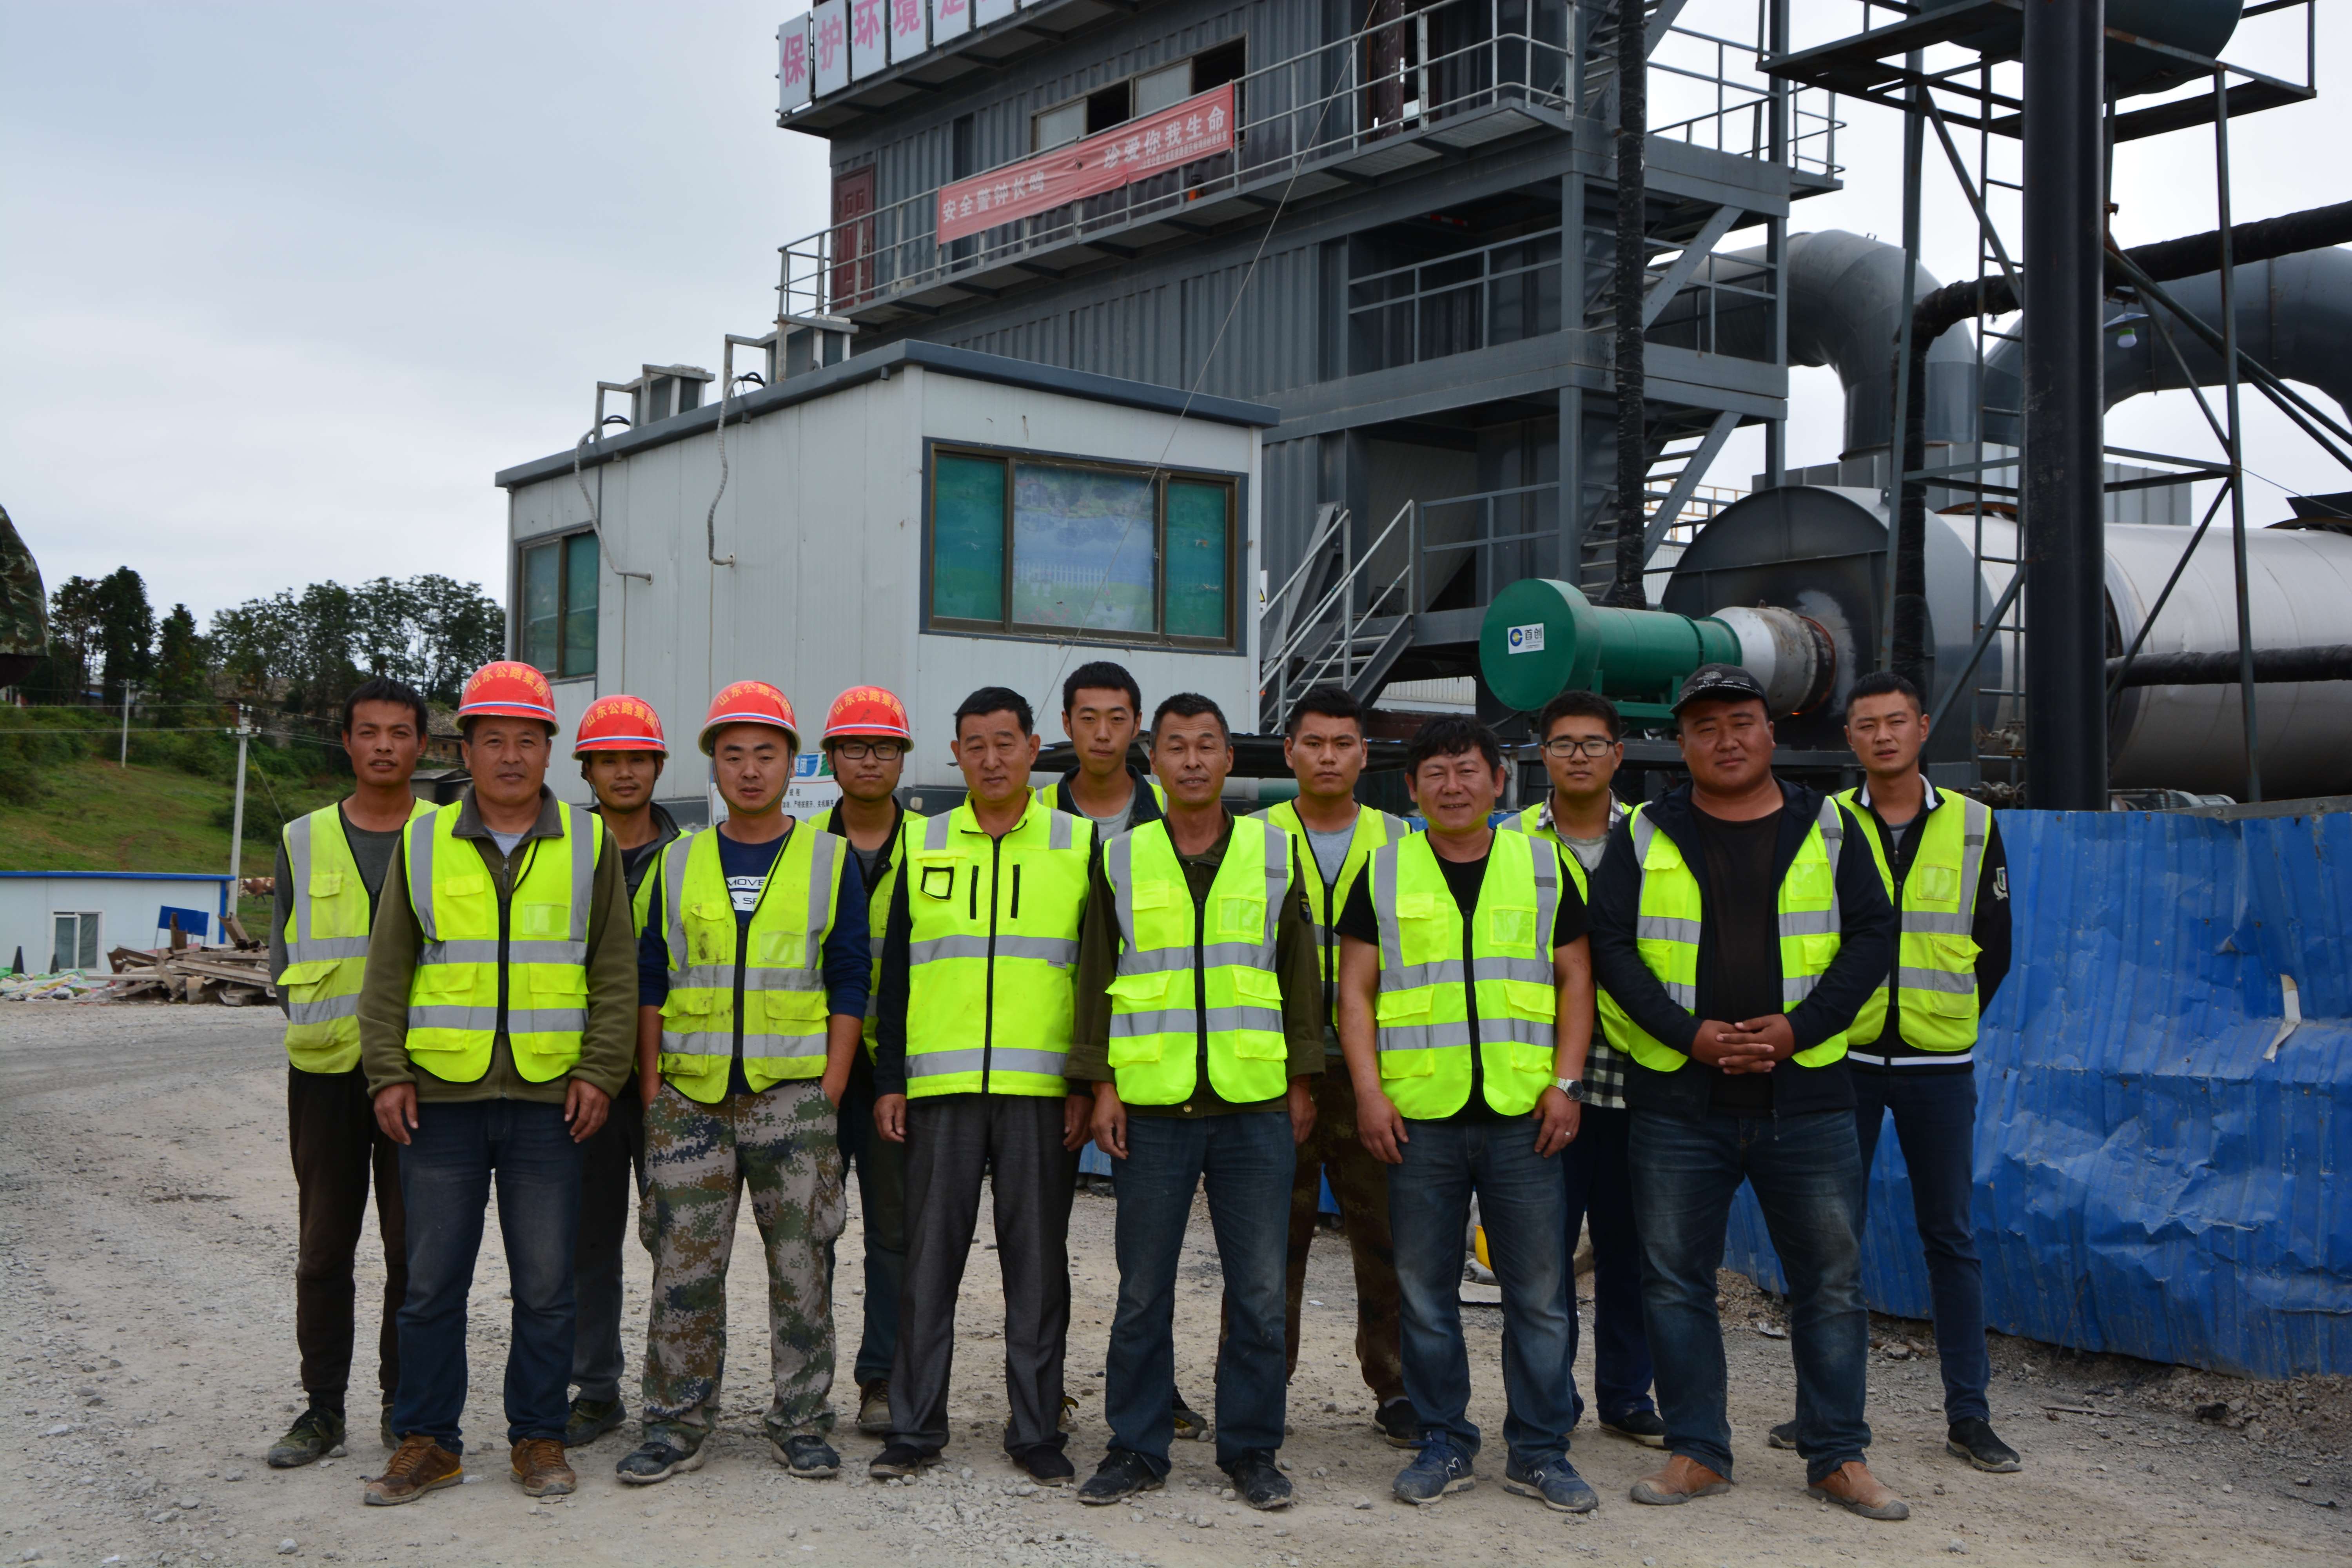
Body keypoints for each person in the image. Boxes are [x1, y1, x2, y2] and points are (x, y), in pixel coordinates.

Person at [1585, 664, 1904, 1521]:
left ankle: (1837, 1455)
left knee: (1830, 1283)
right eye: (1705, 727)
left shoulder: (1831, 826)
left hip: (1807, 1101)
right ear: (1681, 742)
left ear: (1771, 732)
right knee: (1674, 1281)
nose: (1725, 740)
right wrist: (1686, 1034)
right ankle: (1698, 1450)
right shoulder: (1644, 832)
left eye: (1741, 722)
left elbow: (1874, 935)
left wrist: (1799, 1028)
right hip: (1678, 1105)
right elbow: (1612, 945)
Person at [356, 661, 636, 1506]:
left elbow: (614, 973)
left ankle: (538, 1435)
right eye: (492, 740)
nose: (510, 756)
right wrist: (386, 1072)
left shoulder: (590, 843)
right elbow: (388, 970)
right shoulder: (423, 841)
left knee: (547, 1285)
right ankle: (428, 1440)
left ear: (550, 750)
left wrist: (601, 1071)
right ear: (465, 751)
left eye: (527, 740)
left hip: (551, 1104)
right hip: (440, 1100)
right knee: (431, 1284)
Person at [1336, 715, 1601, 1515]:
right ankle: (1445, 1440)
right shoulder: (1383, 870)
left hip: (1526, 1115)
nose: (1453, 787)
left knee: (1540, 1293)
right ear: (1411, 789)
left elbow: (1576, 980)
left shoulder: (1545, 865)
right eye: (1436, 774)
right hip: (1420, 1117)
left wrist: (1567, 1083)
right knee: (1424, 1291)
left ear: (1498, 780)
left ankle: (1540, 1449)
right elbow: (1356, 992)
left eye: (1468, 770)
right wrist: (1370, 1093)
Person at [1069, 693, 1325, 1510]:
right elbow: (1095, 975)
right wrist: (1102, 1084)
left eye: (1206, 745)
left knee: (1258, 1292)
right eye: (1175, 746)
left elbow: (1300, 975)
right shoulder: (1121, 857)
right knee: (1143, 1289)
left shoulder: (1274, 852)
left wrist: (1301, 1082)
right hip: (1153, 1103)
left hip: (1254, 1104)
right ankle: (1136, 1446)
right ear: (1154, 760)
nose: (1191, 760)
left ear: (1229, 758)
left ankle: (1251, 1450)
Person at [1760, 671, 2016, 1472]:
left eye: (1896, 721)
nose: (1882, 735)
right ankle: (1822, 1410)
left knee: (1951, 1237)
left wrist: (1946, 1017)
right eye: (1867, 724)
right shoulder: (1826, 823)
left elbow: (1996, 946)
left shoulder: (1975, 823)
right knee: (1830, 1242)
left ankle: (1969, 1415)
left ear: (1923, 727)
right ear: (1851, 738)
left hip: (1940, 1066)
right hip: (1846, 1062)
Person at [618, 681, 869, 1485]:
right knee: (683, 1270)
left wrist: (832, 1086)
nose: (750, 770)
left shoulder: (829, 859)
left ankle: (802, 1420)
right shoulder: (675, 861)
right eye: (734, 755)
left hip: (793, 1102)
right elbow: (651, 978)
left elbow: (850, 977)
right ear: (713, 766)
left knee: (803, 1269)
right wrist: (652, 1087)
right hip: (688, 1101)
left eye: (766, 754)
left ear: (792, 765)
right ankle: (676, 1422)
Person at [869, 687, 1096, 1485]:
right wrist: (891, 1079)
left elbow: (1096, 975)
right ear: (956, 754)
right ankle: (914, 1427)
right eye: (976, 744)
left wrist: (1085, 1081)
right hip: (941, 1092)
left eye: (1006, 742)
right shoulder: (925, 842)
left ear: (1034, 749)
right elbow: (896, 976)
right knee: (928, 1266)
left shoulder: (1078, 843)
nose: (992, 759)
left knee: (1037, 1267)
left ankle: (1036, 1429)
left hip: (1041, 1093)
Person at [265, 677, 435, 1469]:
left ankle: (405, 1405)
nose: (384, 747)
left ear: (422, 745)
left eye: (400, 733)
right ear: (346, 741)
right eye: (369, 732)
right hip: (326, 1075)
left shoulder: (448, 835)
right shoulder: (301, 839)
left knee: (414, 1252)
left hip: (426, 1077)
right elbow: (282, 953)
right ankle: (322, 1408)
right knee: (324, 1248)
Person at [1241, 684, 1416, 1448]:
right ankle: (1260, 1384)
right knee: (1271, 1239)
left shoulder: (1401, 840)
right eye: (1313, 743)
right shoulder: (1253, 839)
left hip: (1374, 1069)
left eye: (1344, 743)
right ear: (1289, 752)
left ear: (1365, 755)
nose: (1328, 757)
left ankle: (1397, 1384)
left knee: (1386, 1235)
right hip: (1276, 1066)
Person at [1515, 690, 1664, 1449]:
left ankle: (1627, 1395)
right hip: (1542, 1082)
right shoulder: (1510, 841)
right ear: (1542, 754)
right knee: (1543, 1252)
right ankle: (1552, 1398)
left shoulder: (1654, 838)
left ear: (1618, 754)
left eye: (1593, 743)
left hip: (1639, 1077)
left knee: (1629, 1248)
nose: (1579, 755)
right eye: (1564, 742)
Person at [566, 693, 683, 1450]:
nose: (625, 772)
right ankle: (597, 1389)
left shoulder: (690, 858)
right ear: (587, 771)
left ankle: (676, 1396)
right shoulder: (563, 852)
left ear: (659, 766)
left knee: (677, 1241)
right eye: (608, 760)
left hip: (672, 1080)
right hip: (585, 1075)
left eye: (638, 758)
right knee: (589, 1239)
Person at [818, 685, 923, 1437]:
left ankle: (881, 1378)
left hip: (899, 1075)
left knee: (894, 1234)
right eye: (854, 747)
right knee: (809, 1236)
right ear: (831, 759)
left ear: (903, 758)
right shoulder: (799, 850)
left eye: (884, 747)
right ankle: (805, 1384)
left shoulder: (934, 848)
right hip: (813, 1073)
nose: (869, 760)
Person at [1053, 660, 1167, 839]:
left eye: (1117, 719)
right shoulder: (1032, 809)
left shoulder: (1170, 810)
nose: (1103, 734)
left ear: (1137, 724)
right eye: (1089, 719)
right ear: (1067, 723)